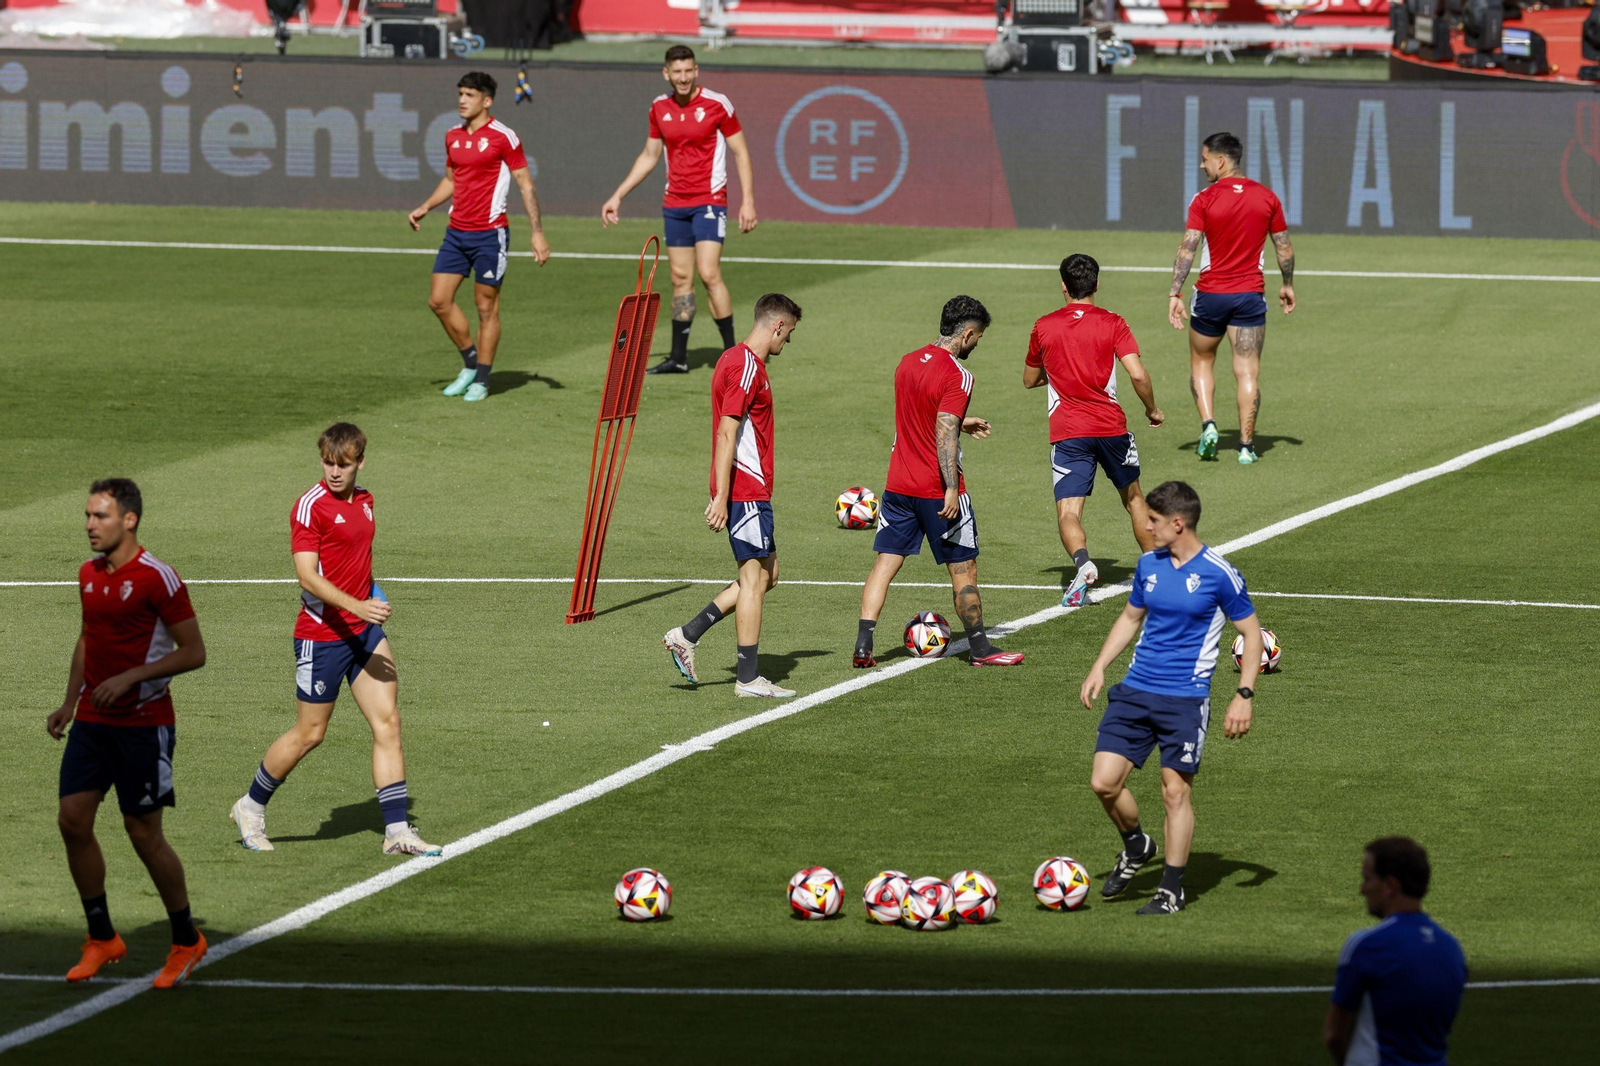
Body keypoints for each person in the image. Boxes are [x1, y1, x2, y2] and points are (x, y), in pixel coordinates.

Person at [230, 424, 441, 856]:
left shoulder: (365, 501)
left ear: (360, 461)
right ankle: (250, 806)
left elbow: (356, 560)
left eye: (343, 464)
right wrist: (358, 606)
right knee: (310, 733)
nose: (334, 472)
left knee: (389, 722)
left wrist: (371, 595)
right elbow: (306, 574)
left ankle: (397, 830)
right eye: (328, 462)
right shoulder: (309, 507)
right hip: (321, 636)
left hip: (364, 633)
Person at [48, 478, 209, 987]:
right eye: (88, 516)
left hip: (144, 725)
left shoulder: (158, 578)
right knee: (72, 821)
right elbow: (86, 639)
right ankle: (102, 936)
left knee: (143, 834)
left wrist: (130, 678)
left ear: (130, 519)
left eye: (100, 516)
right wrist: (70, 700)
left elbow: (193, 652)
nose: (90, 526)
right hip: (93, 722)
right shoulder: (88, 574)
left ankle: (186, 939)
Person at [1078, 480, 1262, 914]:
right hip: (1137, 690)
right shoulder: (1149, 566)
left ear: (1178, 524)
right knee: (1103, 782)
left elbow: (1251, 634)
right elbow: (1130, 617)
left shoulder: (1220, 573)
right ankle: (1137, 843)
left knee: (1174, 794)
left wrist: (1244, 694)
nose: (1146, 525)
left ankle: (1171, 889)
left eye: (1154, 520)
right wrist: (1100, 665)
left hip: (1185, 699)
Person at [853, 296, 1024, 670]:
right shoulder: (958, 374)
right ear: (966, 333)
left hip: (898, 485)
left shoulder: (907, 362)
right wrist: (950, 487)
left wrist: (962, 420)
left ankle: (864, 644)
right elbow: (944, 435)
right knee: (963, 568)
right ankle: (980, 649)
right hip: (937, 490)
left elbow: (920, 415)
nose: (977, 343)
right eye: (977, 336)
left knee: (885, 563)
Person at [662, 294, 801, 698]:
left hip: (748, 490)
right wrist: (722, 496)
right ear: (777, 325)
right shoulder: (746, 367)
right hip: (745, 490)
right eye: (788, 333)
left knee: (768, 575)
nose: (787, 342)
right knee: (754, 582)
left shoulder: (734, 359)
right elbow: (727, 431)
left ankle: (687, 635)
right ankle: (748, 678)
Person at [601, 44, 757, 375]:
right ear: (666, 73)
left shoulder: (717, 104)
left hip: (710, 201)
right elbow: (649, 155)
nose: (683, 78)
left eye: (689, 71)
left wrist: (748, 200)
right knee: (680, 278)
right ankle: (679, 357)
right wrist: (618, 195)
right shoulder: (659, 108)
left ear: (696, 70)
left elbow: (741, 152)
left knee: (708, 273)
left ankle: (734, 358)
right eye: (677, 72)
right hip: (675, 203)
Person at [1024, 253, 1164, 609]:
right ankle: (1156, 576)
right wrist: (1151, 408)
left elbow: (1029, 380)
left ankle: (1083, 563)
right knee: (1133, 499)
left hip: (1069, 432)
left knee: (1069, 512)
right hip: (1111, 427)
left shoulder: (1043, 326)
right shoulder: (1113, 322)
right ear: (1097, 285)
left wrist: (1058, 373)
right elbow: (1137, 373)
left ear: (1063, 286)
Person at [409, 71, 551, 404]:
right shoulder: (452, 136)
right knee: (438, 301)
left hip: (490, 235)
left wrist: (537, 233)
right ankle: (471, 364)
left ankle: (482, 381)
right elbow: (452, 180)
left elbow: (526, 184)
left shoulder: (504, 137)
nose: (461, 100)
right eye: (460, 93)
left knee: (486, 308)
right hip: (456, 233)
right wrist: (425, 206)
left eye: (470, 95)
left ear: (487, 101)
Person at [1167, 131, 1295, 465]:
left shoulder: (1204, 199)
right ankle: (1246, 447)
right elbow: (1283, 246)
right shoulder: (1267, 197)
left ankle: (1209, 426)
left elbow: (1188, 248)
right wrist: (1287, 284)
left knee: (1201, 361)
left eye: (1205, 158)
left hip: (1210, 296)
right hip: (1249, 297)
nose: (1201, 164)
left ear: (1220, 160)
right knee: (1248, 371)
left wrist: (1175, 292)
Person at [1325, 838, 1468, 1066]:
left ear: (1390, 885)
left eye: (1367, 879)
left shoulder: (1367, 946)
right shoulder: (1452, 949)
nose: (1362, 889)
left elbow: (1334, 1036)